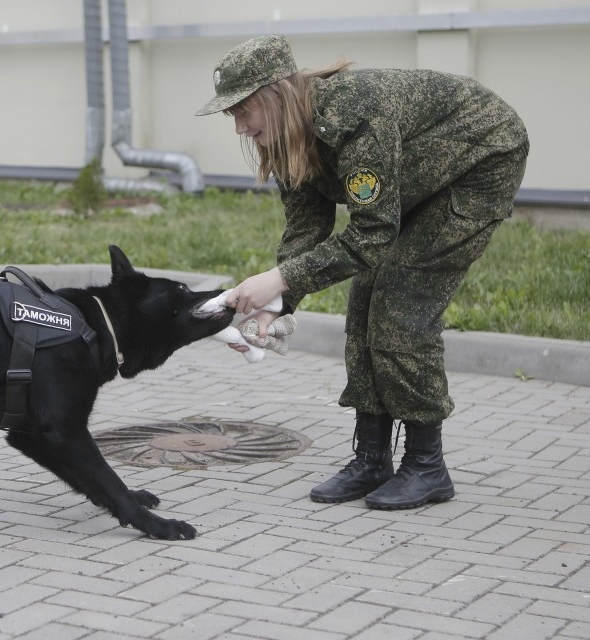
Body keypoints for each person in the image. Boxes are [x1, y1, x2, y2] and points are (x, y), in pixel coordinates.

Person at [196, 35, 529, 510]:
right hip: (418, 175)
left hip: (479, 163)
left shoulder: (354, 117)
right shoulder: (292, 136)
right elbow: (306, 228)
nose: (239, 128)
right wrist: (276, 304)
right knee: (365, 299)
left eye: (243, 110)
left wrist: (279, 280)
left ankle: (426, 466)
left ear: (275, 96)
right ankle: (372, 458)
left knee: (399, 307)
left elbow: (372, 233)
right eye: (232, 116)